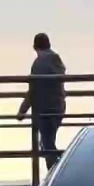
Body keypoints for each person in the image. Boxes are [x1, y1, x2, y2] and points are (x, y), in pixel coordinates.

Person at [17, 33, 67, 168]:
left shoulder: (39, 63)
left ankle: (59, 170)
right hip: (58, 107)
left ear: (35, 47)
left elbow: (33, 90)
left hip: (44, 109)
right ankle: (58, 168)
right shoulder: (57, 60)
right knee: (48, 142)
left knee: (47, 145)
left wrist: (22, 111)